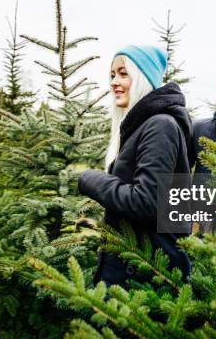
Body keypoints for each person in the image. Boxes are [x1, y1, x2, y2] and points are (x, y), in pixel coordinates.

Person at [77, 45, 192, 288]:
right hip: (135, 266)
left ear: (141, 77)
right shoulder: (142, 126)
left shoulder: (160, 126)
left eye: (123, 73)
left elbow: (146, 202)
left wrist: (90, 179)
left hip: (145, 278)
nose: (114, 82)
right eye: (112, 75)